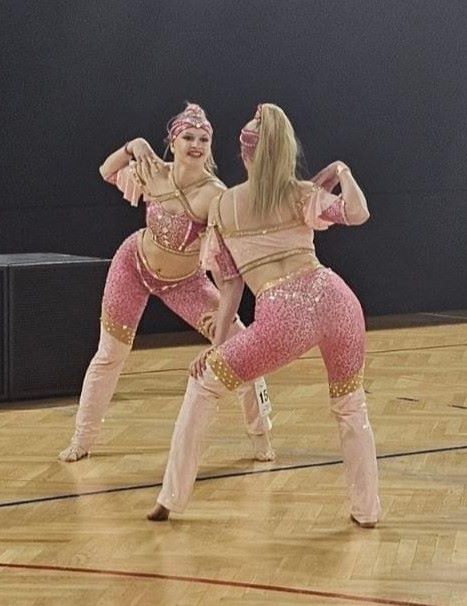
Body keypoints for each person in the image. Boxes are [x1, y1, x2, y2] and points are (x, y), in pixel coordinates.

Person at [147, 103, 381, 528]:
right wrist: (341, 171)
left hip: (284, 315)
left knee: (203, 385)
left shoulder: (225, 206)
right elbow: (358, 212)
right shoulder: (300, 193)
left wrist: (216, 345)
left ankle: (170, 497)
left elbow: (230, 285)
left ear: (244, 152)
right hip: (336, 300)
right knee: (351, 406)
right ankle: (367, 511)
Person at [58, 103, 274, 463]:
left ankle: (260, 433)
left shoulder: (214, 196)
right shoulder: (155, 172)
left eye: (203, 139)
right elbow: (106, 170)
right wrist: (134, 145)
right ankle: (82, 438)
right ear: (173, 142)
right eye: (188, 137)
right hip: (133, 266)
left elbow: (226, 273)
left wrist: (221, 328)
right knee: (109, 354)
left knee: (240, 348)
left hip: (185, 283)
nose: (196, 145)